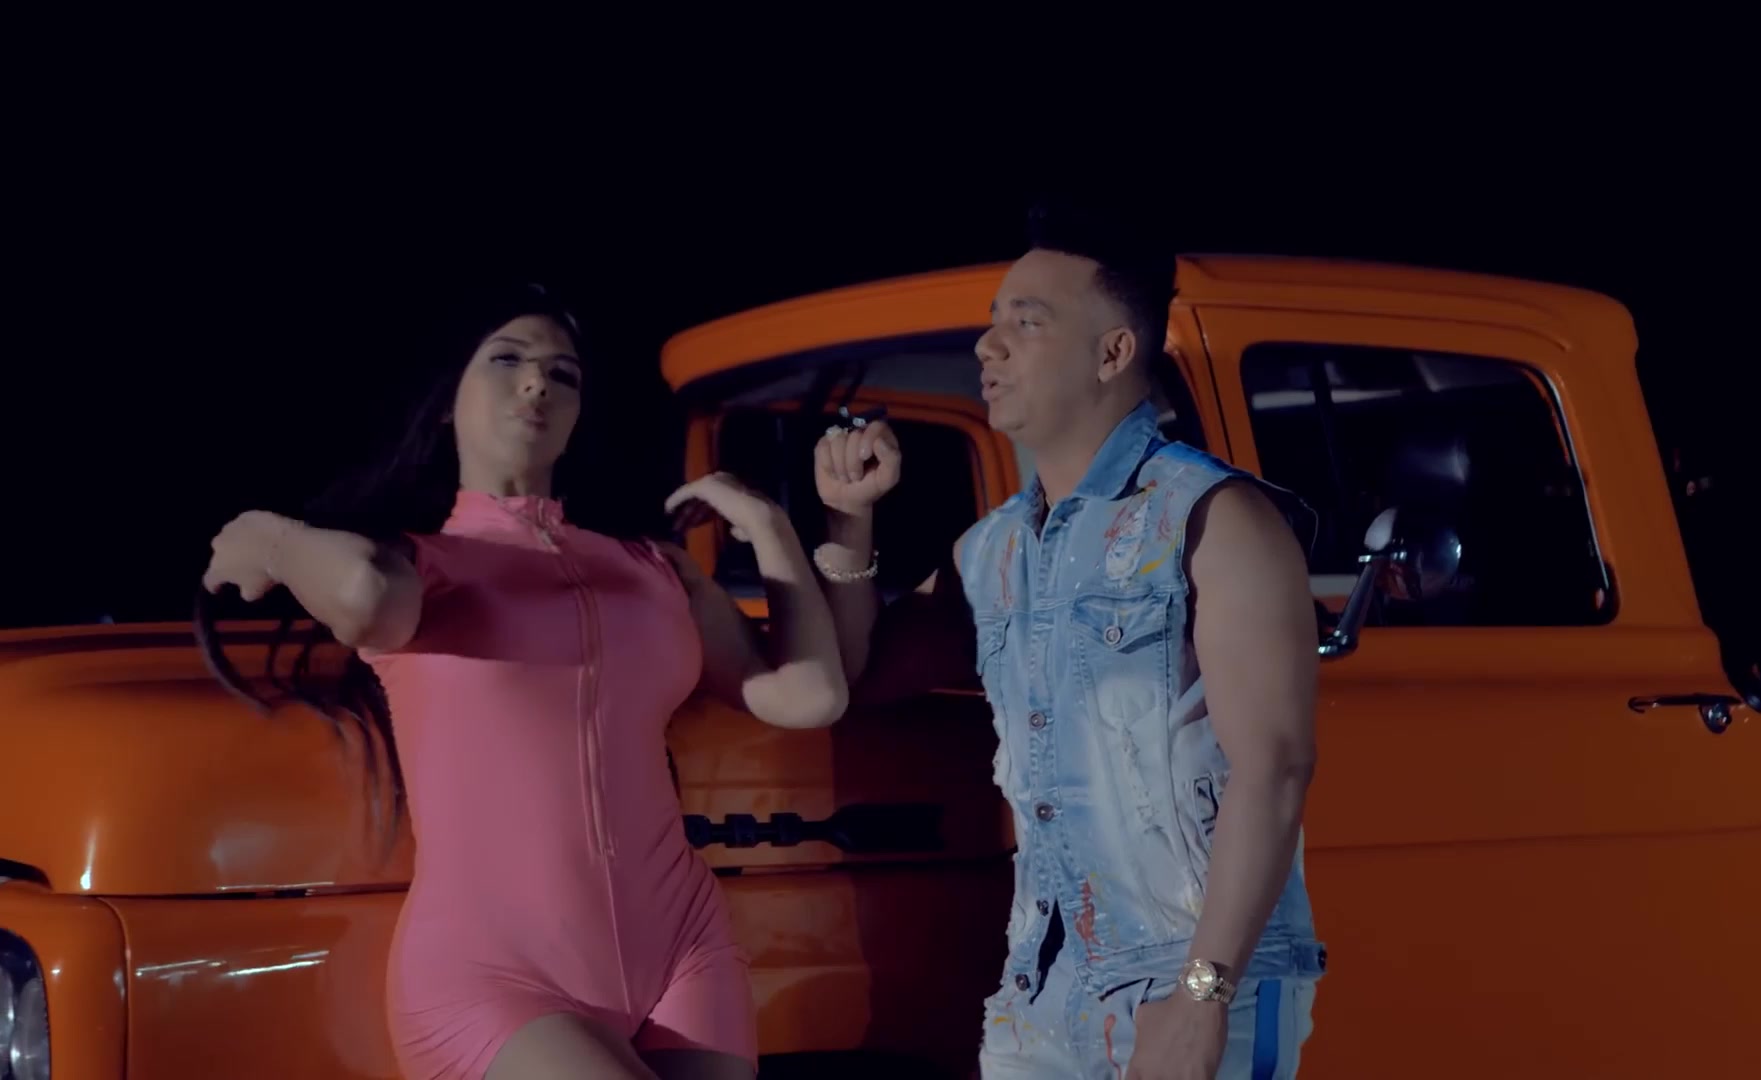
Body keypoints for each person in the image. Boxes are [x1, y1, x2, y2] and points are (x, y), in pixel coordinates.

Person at [199, 283, 850, 1080]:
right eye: (507, 360)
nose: (538, 381)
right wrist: (267, 536)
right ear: (449, 400)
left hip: (686, 948)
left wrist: (770, 526)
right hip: (497, 974)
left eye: (563, 373)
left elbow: (810, 694)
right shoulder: (421, 565)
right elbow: (363, 594)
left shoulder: (653, 567)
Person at [810, 202, 1325, 1079]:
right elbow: (859, 674)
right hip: (1040, 991)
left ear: (1113, 352)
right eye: (992, 322)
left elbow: (1274, 769)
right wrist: (849, 520)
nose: (988, 346)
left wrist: (1203, 995)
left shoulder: (1216, 517)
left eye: (1026, 322)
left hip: (1190, 978)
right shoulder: (993, 552)